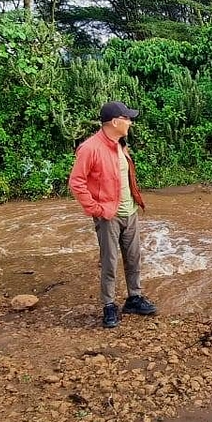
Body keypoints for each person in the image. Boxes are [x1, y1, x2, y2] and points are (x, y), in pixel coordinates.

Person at [68, 101, 158, 328]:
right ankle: (109, 305)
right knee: (109, 262)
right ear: (115, 122)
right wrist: (96, 209)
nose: (130, 122)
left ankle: (134, 298)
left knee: (133, 257)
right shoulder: (90, 148)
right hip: (108, 215)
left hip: (130, 212)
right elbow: (76, 182)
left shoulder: (120, 144)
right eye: (127, 118)